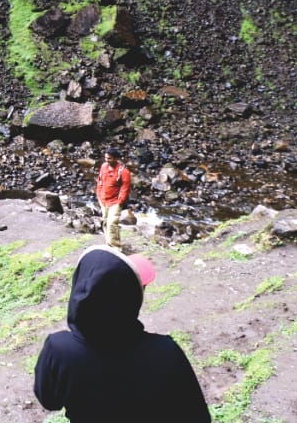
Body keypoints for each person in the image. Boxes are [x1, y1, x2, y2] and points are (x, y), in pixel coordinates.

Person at [33, 246, 209, 422]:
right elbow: (198, 417)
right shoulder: (166, 351)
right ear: (132, 299)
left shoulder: (59, 350)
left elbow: (49, 401)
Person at [96, 148, 134, 250]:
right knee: (105, 221)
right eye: (105, 158)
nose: (107, 160)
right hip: (103, 199)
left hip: (115, 202)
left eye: (109, 158)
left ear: (116, 158)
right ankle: (108, 242)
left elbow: (125, 188)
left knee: (112, 223)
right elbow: (100, 180)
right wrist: (98, 193)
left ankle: (116, 248)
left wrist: (120, 201)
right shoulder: (104, 166)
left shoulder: (124, 172)